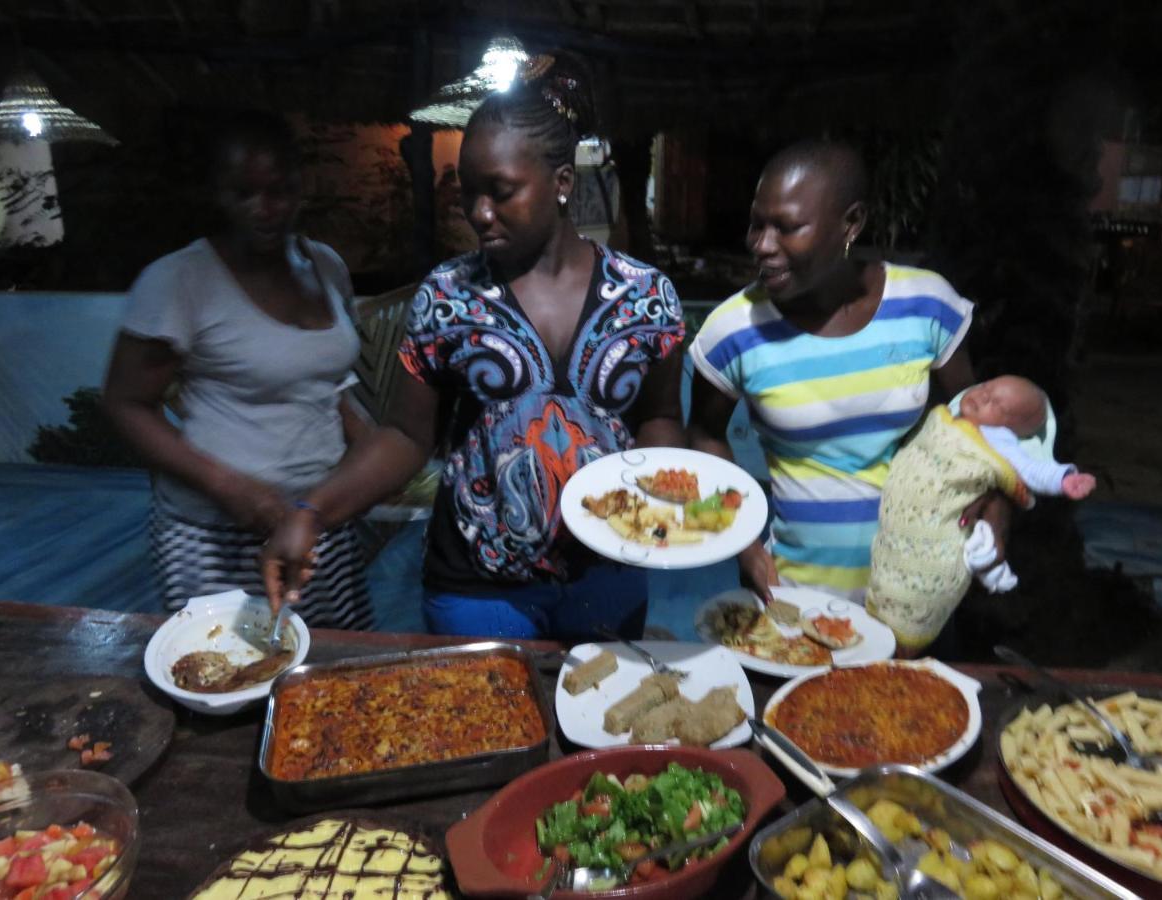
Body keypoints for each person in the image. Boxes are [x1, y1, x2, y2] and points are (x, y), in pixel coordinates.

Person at [260, 54, 685, 640]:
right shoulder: (448, 296)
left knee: (600, 727)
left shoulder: (647, 298)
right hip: (476, 583)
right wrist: (312, 511)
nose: (480, 214)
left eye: (502, 192)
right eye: (470, 194)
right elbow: (406, 437)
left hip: (609, 573)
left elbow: (660, 417)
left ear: (562, 183)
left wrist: (658, 490)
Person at [688, 139, 1008, 606]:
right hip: (794, 594)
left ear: (851, 223)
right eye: (757, 224)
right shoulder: (734, 330)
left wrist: (995, 509)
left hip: (918, 591)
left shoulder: (924, 306)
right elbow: (704, 435)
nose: (762, 245)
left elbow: (978, 426)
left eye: (787, 227)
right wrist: (746, 547)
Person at [102, 112, 374, 629]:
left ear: (301, 185)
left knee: (326, 670)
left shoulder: (326, 266)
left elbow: (323, 383)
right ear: (216, 193)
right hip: (215, 535)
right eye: (243, 192)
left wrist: (370, 452)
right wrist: (231, 488)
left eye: (279, 190)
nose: (264, 208)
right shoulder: (179, 281)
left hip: (319, 521)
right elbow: (125, 402)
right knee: (229, 674)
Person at [869, 375, 1096, 654]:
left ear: (1010, 430)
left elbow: (1030, 469)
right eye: (986, 388)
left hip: (934, 535)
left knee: (914, 587)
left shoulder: (996, 440)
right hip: (898, 517)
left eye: (998, 406)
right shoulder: (944, 420)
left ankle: (904, 637)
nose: (983, 396)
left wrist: (1064, 479)